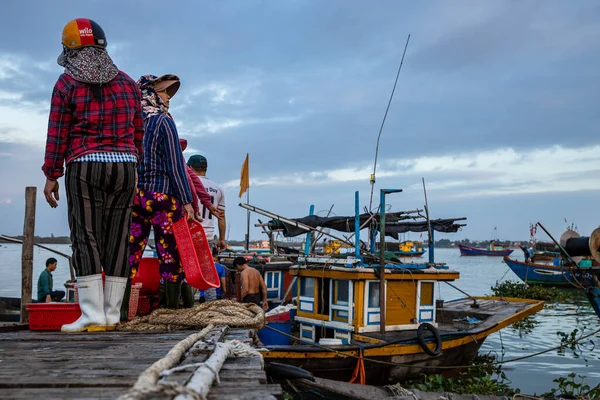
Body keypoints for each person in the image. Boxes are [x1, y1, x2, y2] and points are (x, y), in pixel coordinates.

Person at [42, 18, 143, 332]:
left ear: (71, 48)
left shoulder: (66, 83)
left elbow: (58, 133)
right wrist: (132, 162)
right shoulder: (128, 83)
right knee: (117, 239)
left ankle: (91, 314)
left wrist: (51, 173)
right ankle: (113, 314)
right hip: (126, 166)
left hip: (86, 165)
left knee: (86, 236)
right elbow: (139, 133)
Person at [128, 74, 195, 309]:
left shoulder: (133, 121)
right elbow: (175, 165)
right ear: (153, 94)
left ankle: (121, 309)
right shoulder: (163, 121)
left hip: (136, 197)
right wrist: (187, 200)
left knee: (131, 250)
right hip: (163, 197)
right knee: (169, 253)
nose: (168, 97)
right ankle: (171, 310)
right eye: (165, 92)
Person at [187, 155, 226, 251]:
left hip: (189, 233)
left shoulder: (187, 184)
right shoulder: (218, 188)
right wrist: (221, 239)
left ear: (190, 168)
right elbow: (221, 216)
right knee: (204, 266)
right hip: (208, 236)